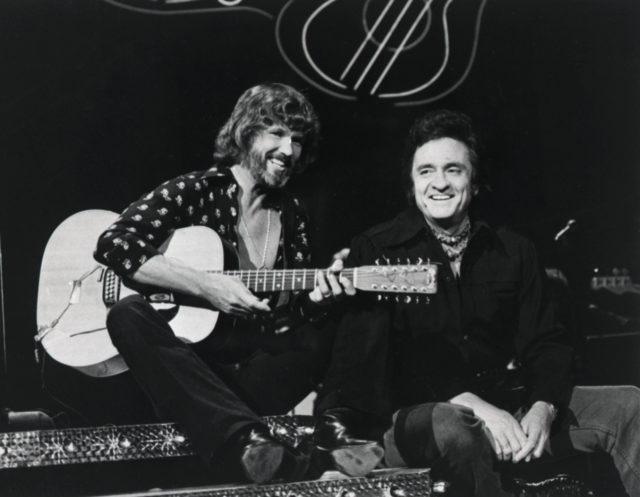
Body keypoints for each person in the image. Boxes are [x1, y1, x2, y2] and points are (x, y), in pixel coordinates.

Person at [315, 109, 640, 496]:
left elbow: (548, 342)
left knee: (627, 404)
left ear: (474, 179)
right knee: (456, 423)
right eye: (426, 171)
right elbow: (383, 365)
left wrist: (543, 407)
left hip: (505, 403)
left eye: (454, 170)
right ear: (411, 182)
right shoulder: (377, 247)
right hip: (414, 415)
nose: (440, 184)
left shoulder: (512, 250)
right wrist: (478, 408)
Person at [93, 83, 366, 484]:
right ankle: (250, 443)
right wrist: (206, 286)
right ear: (246, 133)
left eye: (298, 141)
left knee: (347, 314)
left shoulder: (293, 214)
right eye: (276, 133)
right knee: (127, 313)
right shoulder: (195, 191)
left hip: (250, 374)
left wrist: (316, 299)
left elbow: (287, 319)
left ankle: (328, 437)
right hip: (191, 373)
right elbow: (114, 243)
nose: (288, 151)